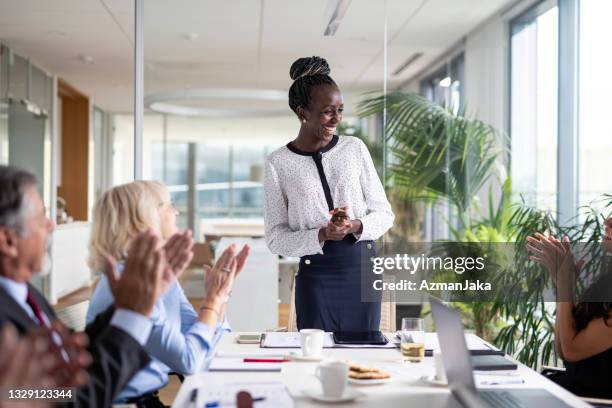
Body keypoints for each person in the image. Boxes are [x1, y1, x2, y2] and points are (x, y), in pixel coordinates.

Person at [0, 165, 166, 407]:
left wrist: (127, 305)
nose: (51, 226)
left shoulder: (24, 292)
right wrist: (132, 316)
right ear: (8, 240)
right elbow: (59, 399)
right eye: (40, 218)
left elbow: (69, 359)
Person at [86, 181, 250, 407]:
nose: (176, 211)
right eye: (168, 205)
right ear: (144, 219)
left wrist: (221, 294)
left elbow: (205, 343)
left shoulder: (157, 276)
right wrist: (213, 299)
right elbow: (189, 360)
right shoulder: (131, 284)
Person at [264, 56, 395, 332]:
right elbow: (275, 238)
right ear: (302, 112)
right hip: (316, 276)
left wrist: (355, 225)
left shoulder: (354, 149)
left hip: (362, 271)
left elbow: (384, 214)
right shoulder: (279, 163)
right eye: (327, 111)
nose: (337, 119)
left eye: (340, 110)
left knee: (363, 357)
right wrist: (321, 234)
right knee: (313, 361)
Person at [527, 218, 612, 399]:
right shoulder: (606, 281)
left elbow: (572, 350)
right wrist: (564, 283)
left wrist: (565, 285)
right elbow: (563, 349)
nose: (608, 221)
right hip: (571, 394)